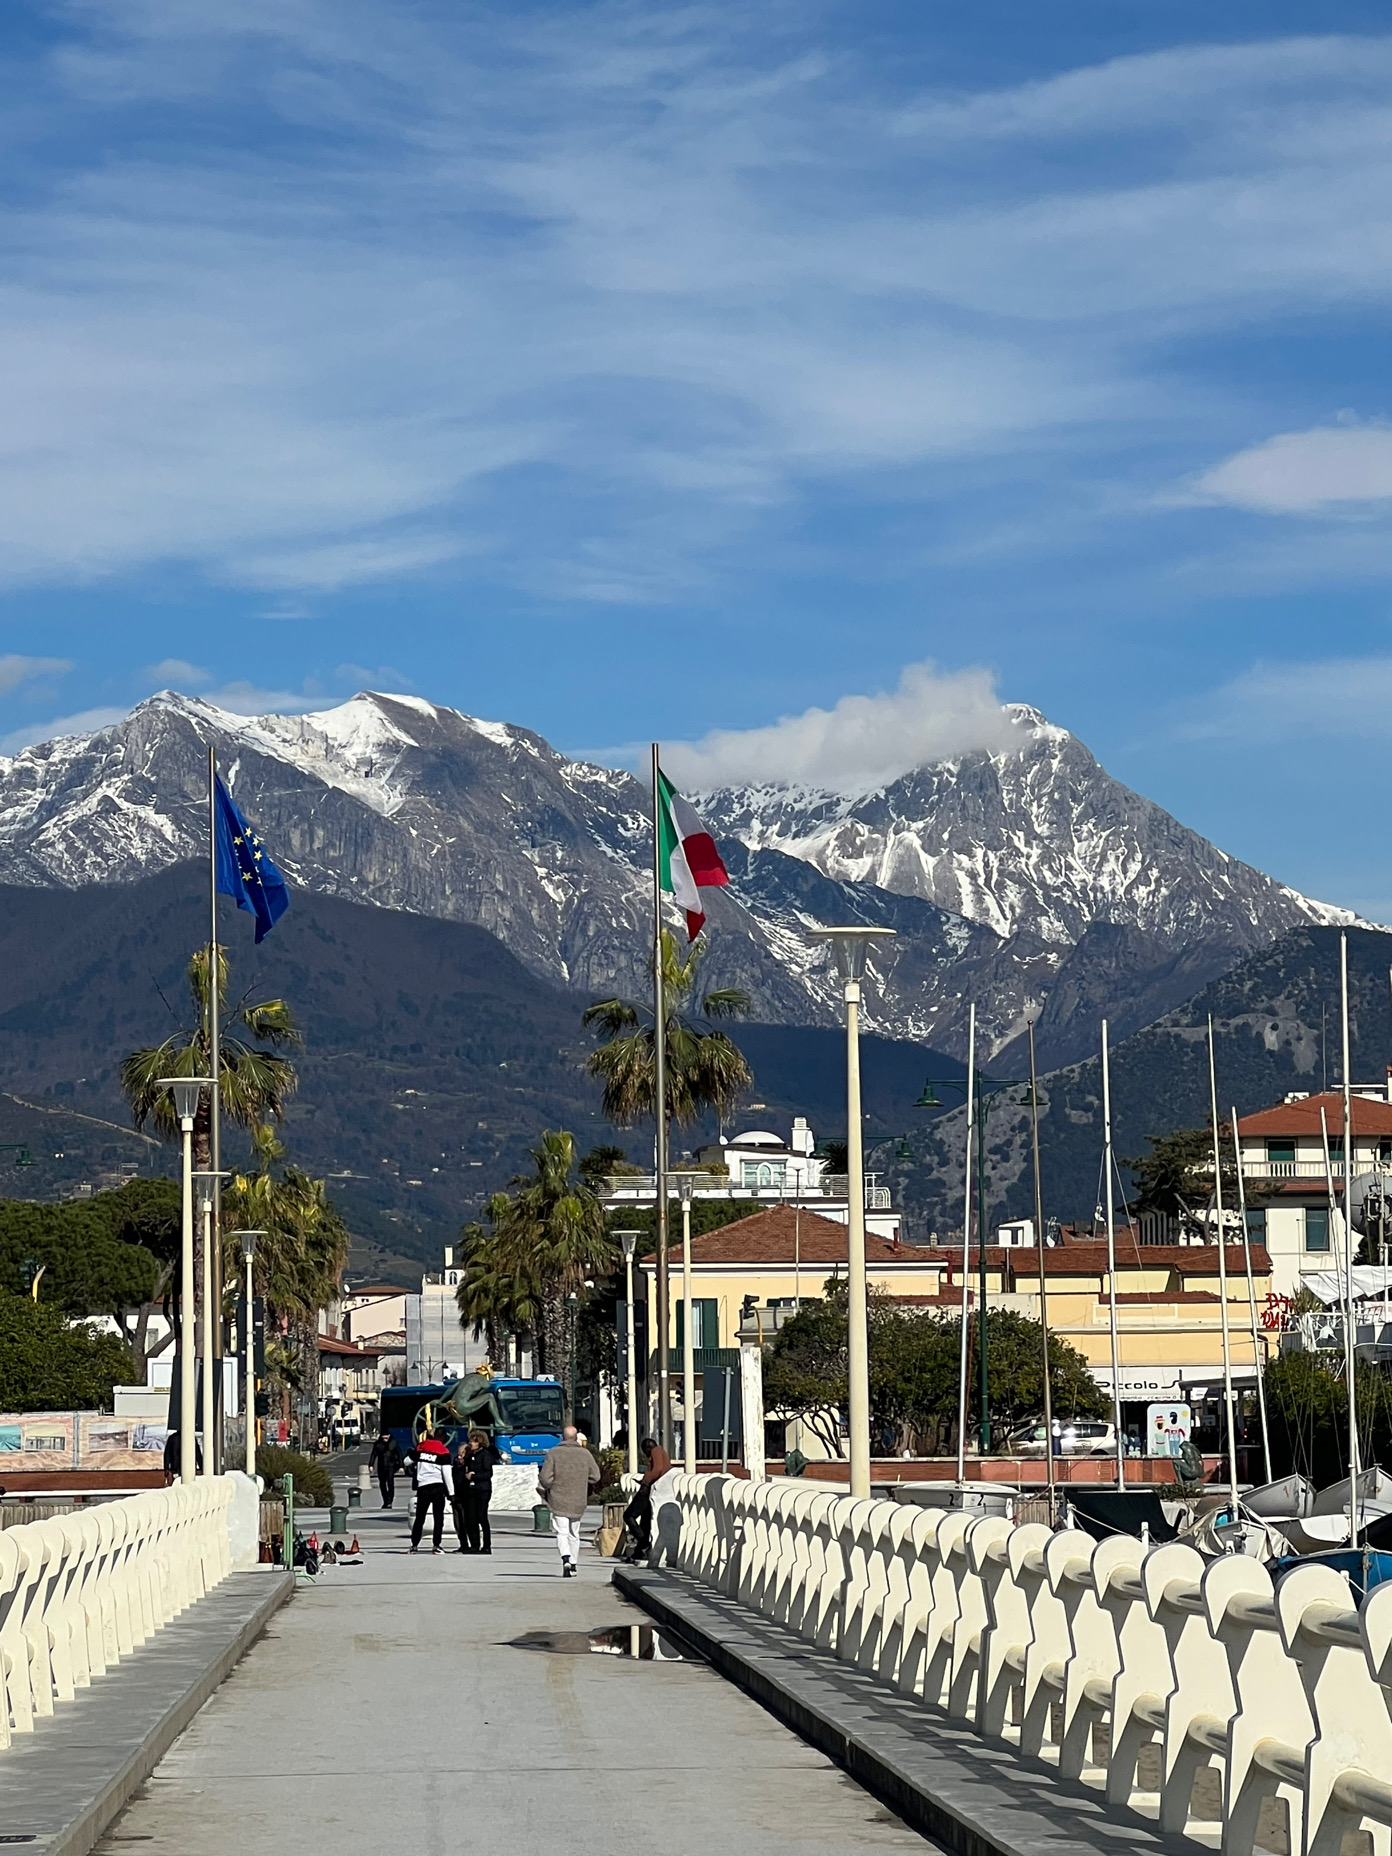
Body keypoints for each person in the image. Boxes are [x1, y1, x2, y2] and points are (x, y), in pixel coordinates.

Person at [538, 1424, 600, 1577]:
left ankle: (565, 1557)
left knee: (562, 1532)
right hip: (578, 1498)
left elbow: (545, 1478)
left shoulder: (553, 1453)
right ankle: (573, 1564)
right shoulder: (585, 1454)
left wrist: (551, 1485)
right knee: (574, 1533)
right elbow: (596, 1476)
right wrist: (583, 1481)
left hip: (558, 1497)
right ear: (576, 1437)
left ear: (562, 1437)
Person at [622, 1435, 670, 1559]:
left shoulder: (656, 1451)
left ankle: (643, 1542)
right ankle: (639, 1551)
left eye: (645, 1452)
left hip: (647, 1490)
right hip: (653, 1490)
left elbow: (658, 1470)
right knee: (645, 1520)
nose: (646, 1455)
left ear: (648, 1448)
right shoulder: (661, 1451)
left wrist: (646, 1480)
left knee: (628, 1516)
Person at [405, 1426, 451, 1554]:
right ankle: (436, 1545)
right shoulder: (443, 1452)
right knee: (438, 1518)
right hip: (437, 1487)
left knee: (420, 1517)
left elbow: (406, 1461)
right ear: (443, 1438)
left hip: (423, 1487)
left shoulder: (421, 1448)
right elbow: (447, 1474)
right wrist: (451, 1493)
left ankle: (414, 1545)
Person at [458, 1428, 496, 1554]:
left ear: (480, 1442)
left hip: (482, 1490)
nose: (471, 1444)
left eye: (473, 1441)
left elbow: (488, 1473)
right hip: (470, 1490)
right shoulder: (470, 1455)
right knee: (471, 1518)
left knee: (481, 1517)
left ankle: (486, 1546)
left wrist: (474, 1476)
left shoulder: (485, 1455)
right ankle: (474, 1545)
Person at [369, 1428, 403, 1509]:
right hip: (381, 1466)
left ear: (389, 1436)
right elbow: (373, 1454)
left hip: (391, 1466)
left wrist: (401, 1466)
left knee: (390, 1483)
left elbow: (399, 1454)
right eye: (383, 1437)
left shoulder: (394, 1443)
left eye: (386, 1437)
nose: (385, 1439)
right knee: (382, 1484)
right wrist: (371, 1465)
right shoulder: (378, 1444)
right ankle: (385, 1501)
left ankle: (389, 1501)